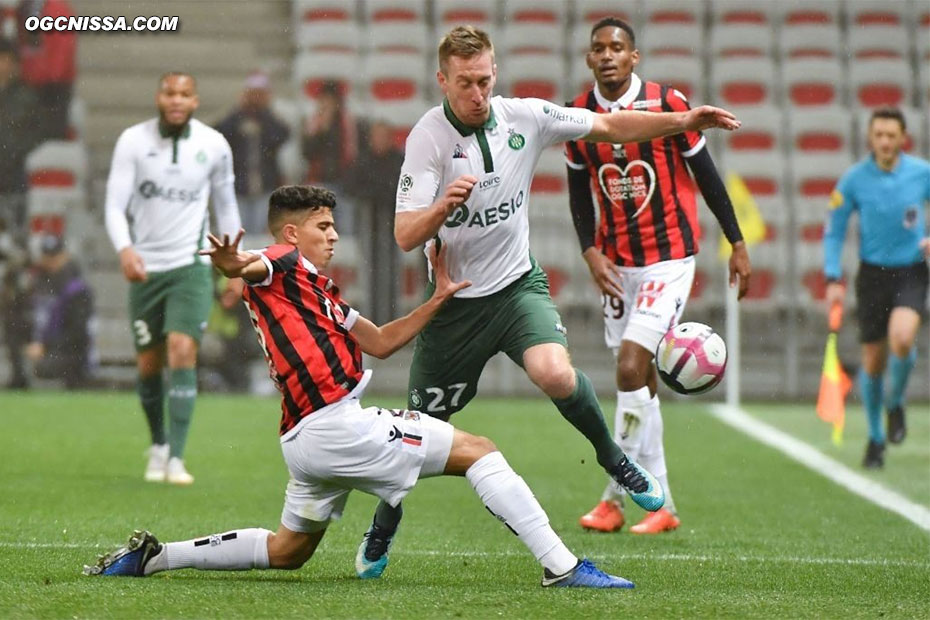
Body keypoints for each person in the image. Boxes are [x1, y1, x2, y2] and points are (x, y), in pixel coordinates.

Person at [84, 185, 637, 589]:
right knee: (479, 452)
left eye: (334, 226)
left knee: (288, 551)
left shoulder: (316, 290)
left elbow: (380, 341)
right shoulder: (280, 262)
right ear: (292, 233)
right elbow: (250, 265)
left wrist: (439, 299)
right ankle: (561, 566)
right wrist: (234, 262)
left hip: (305, 439)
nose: (334, 235)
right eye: (323, 226)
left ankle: (156, 557)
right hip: (336, 425)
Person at [359, 24, 741, 571]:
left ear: (496, 75)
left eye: (485, 81)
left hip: (518, 289)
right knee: (419, 436)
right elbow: (403, 234)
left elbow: (609, 125)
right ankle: (384, 525)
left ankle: (617, 462)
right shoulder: (428, 138)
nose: (477, 94)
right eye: (464, 83)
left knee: (556, 374)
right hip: (455, 304)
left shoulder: (526, 116)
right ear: (442, 80)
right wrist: (443, 207)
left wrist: (682, 120)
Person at [566, 18, 752, 534]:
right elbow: (579, 188)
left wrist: (737, 241)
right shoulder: (578, 116)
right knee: (641, 381)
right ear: (589, 59)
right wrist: (588, 251)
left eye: (617, 48)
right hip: (616, 265)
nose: (608, 55)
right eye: (598, 48)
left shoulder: (668, 104)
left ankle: (615, 496)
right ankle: (663, 501)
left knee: (629, 367)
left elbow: (706, 175)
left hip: (669, 260)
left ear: (634, 57)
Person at [104, 72, 242, 485]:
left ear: (195, 100)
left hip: (191, 264)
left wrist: (234, 265)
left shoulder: (214, 145)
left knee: (182, 348)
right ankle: (159, 444)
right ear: (158, 97)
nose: (177, 100)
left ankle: (178, 459)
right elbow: (114, 205)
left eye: (185, 94)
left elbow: (226, 205)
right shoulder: (133, 141)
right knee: (149, 361)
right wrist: (125, 249)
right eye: (170, 93)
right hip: (146, 267)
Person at [824, 107, 930, 469]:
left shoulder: (921, 173)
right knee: (873, 361)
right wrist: (832, 276)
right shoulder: (854, 180)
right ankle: (875, 438)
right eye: (879, 134)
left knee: (902, 339)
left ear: (903, 138)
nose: (885, 141)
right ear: (871, 138)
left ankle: (895, 402)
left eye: (891, 135)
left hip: (911, 272)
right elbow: (835, 229)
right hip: (872, 277)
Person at [215, 71, 290, 236]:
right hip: (239, 184)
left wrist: (264, 111)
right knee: (238, 231)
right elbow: (220, 133)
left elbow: (280, 135)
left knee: (259, 232)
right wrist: (240, 110)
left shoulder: (269, 121)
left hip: (264, 184)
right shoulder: (236, 120)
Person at [349, 119, 405, 324]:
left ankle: (391, 319)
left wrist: (378, 193)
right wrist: (377, 194)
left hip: (392, 228)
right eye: (376, 136)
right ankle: (371, 319)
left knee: (391, 274)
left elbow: (400, 188)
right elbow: (352, 188)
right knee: (370, 273)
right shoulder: (363, 160)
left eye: (383, 136)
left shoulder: (398, 160)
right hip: (369, 228)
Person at [25, 234, 95, 388]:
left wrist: (46, 346)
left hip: (72, 353)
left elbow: (77, 331)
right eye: (47, 257)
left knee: (46, 367)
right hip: (48, 346)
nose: (51, 262)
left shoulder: (76, 288)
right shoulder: (42, 282)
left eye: (54, 257)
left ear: (64, 255)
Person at [301, 80, 357, 234]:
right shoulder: (314, 123)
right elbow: (307, 153)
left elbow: (347, 153)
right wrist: (320, 130)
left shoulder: (346, 123)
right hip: (319, 181)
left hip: (342, 183)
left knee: (345, 229)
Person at [0, 36, 40, 246]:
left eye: (6, 60)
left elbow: (34, 134)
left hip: (13, 178)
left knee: (15, 239)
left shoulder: (25, 97)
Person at [16, 0, 76, 140]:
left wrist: (48, 75)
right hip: (38, 80)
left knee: (48, 132)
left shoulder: (54, 8)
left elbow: (61, 52)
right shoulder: (28, 7)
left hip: (50, 85)